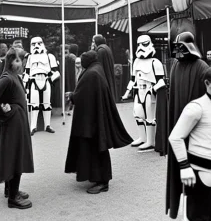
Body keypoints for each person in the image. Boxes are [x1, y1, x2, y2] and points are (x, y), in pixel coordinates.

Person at [169, 66, 211, 221]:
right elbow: (175, 137)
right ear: (208, 83)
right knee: (197, 218)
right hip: (201, 172)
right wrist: (184, 166)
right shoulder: (196, 108)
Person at [65, 50, 133, 194]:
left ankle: (102, 181)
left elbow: (84, 94)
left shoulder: (92, 74)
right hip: (94, 118)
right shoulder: (96, 70)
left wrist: (72, 96)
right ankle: (96, 177)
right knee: (95, 148)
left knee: (96, 149)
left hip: (92, 120)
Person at [166, 31, 209, 219]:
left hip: (196, 130)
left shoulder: (202, 67)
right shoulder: (176, 66)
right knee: (182, 169)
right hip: (180, 127)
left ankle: (193, 213)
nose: (179, 53)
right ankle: (186, 211)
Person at [0, 47, 34, 209]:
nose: (24, 62)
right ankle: (13, 198)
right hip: (14, 123)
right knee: (15, 156)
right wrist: (3, 114)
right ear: (13, 61)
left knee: (13, 155)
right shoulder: (8, 78)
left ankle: (10, 190)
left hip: (16, 122)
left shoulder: (14, 76)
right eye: (21, 59)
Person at [122, 35, 167, 154]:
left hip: (149, 91)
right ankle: (142, 137)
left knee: (150, 117)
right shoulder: (136, 62)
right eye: (139, 44)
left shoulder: (155, 62)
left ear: (150, 44)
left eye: (145, 44)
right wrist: (127, 92)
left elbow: (161, 81)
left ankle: (151, 141)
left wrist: (153, 90)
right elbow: (133, 79)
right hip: (139, 91)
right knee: (137, 114)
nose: (141, 47)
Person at [23, 36, 60, 135]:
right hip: (33, 81)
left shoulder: (50, 56)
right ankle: (33, 126)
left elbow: (56, 71)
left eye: (39, 43)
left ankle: (47, 125)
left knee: (47, 104)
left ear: (42, 44)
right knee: (34, 105)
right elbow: (27, 72)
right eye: (33, 44)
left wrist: (51, 78)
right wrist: (24, 85)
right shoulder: (30, 57)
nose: (36, 46)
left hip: (46, 80)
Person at [91, 34, 116, 101]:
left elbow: (98, 66)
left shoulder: (100, 50)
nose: (92, 44)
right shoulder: (105, 48)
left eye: (93, 42)